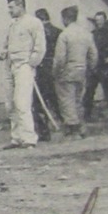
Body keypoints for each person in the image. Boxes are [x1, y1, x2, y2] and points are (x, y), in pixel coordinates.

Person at [0, 0, 45, 149]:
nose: (9, 10)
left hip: (24, 66)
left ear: (20, 5)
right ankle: (16, 138)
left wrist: (31, 64)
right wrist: (3, 52)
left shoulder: (34, 23)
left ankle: (29, 139)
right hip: (10, 66)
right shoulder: (12, 24)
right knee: (10, 104)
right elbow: (6, 44)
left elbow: (40, 47)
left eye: (11, 7)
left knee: (22, 102)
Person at [52, 5, 98, 138]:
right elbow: (93, 54)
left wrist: (56, 72)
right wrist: (90, 67)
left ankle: (73, 129)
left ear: (65, 18)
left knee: (67, 100)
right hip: (82, 69)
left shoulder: (64, 35)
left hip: (67, 71)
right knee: (78, 99)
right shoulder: (87, 34)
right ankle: (82, 127)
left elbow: (60, 58)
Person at [84, 11, 108, 122]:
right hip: (94, 66)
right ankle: (87, 115)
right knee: (89, 91)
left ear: (105, 21)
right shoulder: (92, 34)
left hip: (105, 66)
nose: (99, 23)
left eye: (101, 20)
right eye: (97, 21)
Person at [32, 8, 62, 142]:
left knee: (38, 101)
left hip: (41, 69)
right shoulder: (59, 32)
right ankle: (64, 123)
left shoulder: (37, 34)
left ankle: (44, 130)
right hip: (55, 68)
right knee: (56, 98)